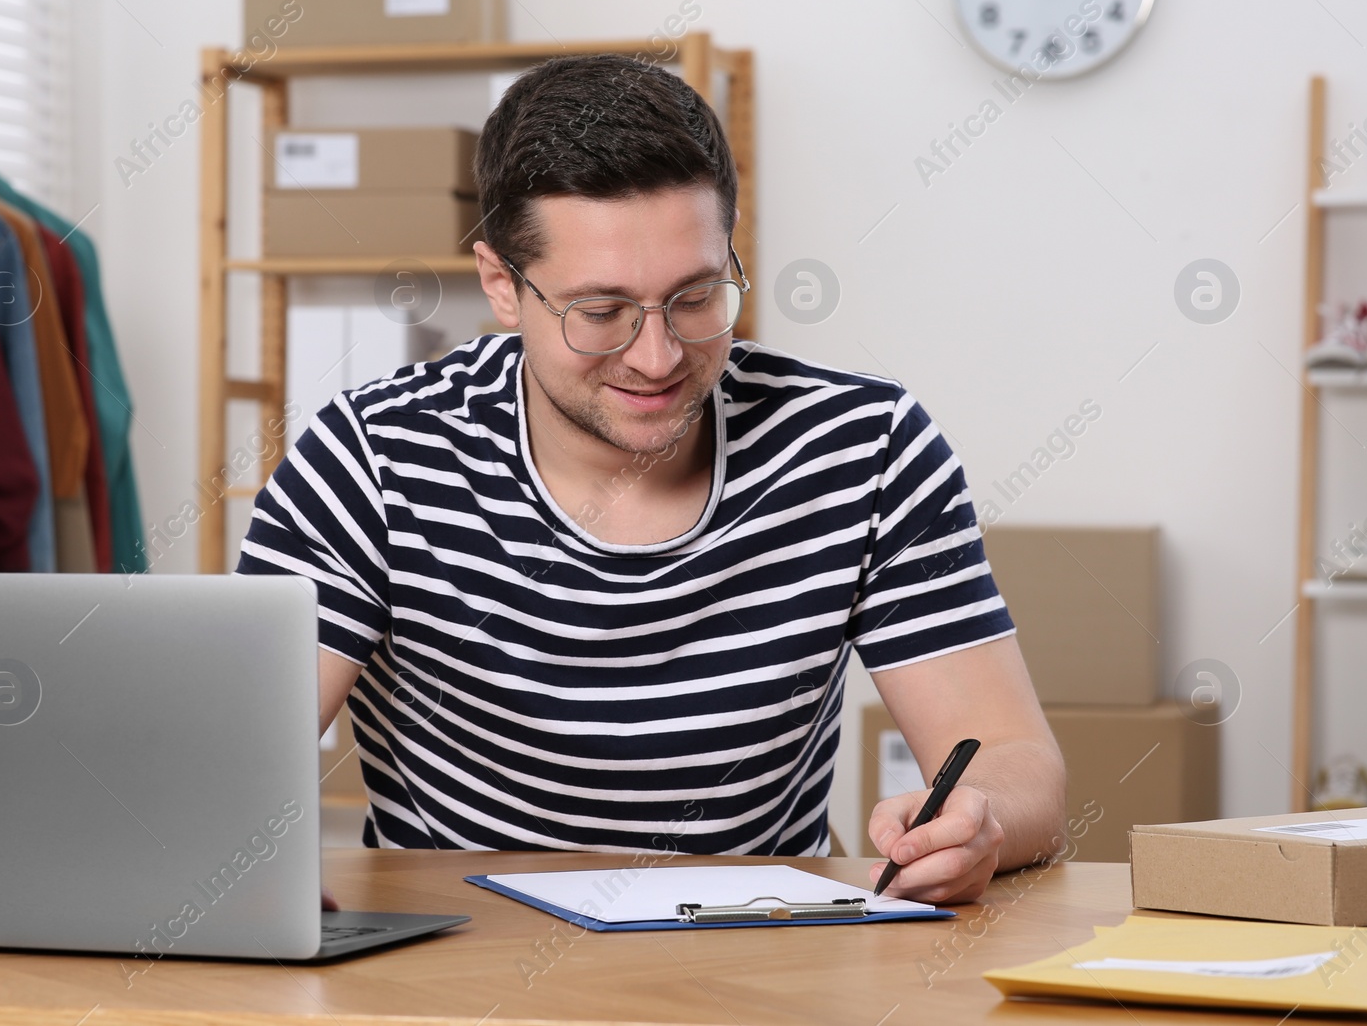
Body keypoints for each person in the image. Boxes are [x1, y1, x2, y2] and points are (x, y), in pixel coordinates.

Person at [237, 53, 1065, 904]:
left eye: (697, 296)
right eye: (601, 313)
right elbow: (236, 760)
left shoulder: (865, 447)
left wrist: (976, 818)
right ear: (502, 286)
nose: (658, 356)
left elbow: (1014, 756)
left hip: (753, 964)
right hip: (454, 968)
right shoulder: (373, 454)